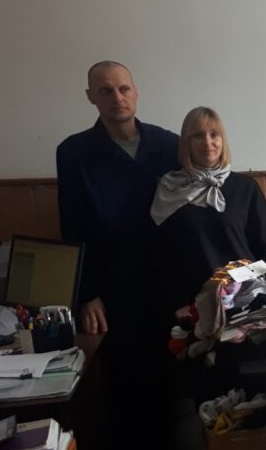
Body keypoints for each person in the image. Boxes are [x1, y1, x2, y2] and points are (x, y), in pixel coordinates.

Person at [56, 60, 180, 335]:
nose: (117, 97)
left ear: (136, 92)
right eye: (106, 91)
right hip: (111, 287)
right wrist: (87, 295)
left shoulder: (170, 145)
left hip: (169, 280)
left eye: (124, 89)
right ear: (90, 96)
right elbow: (72, 228)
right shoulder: (74, 153)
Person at [151, 106, 266, 321]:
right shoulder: (169, 188)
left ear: (223, 140)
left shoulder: (246, 188)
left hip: (247, 301)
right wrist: (178, 304)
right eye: (198, 136)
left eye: (214, 134)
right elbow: (162, 257)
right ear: (186, 142)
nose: (207, 142)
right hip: (193, 307)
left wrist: (241, 283)